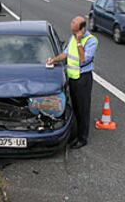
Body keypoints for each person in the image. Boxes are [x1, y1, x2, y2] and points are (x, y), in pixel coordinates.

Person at [46, 16, 98, 149]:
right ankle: (74, 136)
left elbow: (83, 59)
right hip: (72, 78)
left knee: (83, 109)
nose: (71, 24)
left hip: (83, 79)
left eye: (74, 22)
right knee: (74, 108)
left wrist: (79, 41)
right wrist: (54, 60)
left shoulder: (91, 40)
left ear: (81, 28)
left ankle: (82, 138)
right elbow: (66, 54)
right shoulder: (73, 37)